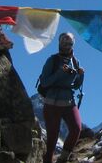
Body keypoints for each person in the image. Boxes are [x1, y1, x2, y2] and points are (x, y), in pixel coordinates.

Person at [39, 32, 85, 163]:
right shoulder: (52, 60)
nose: (67, 45)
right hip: (52, 102)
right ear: (59, 43)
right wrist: (59, 72)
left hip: (69, 101)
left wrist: (81, 75)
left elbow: (76, 85)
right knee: (52, 137)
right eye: (64, 42)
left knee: (76, 129)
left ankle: (63, 159)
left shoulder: (75, 62)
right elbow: (44, 82)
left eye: (70, 43)